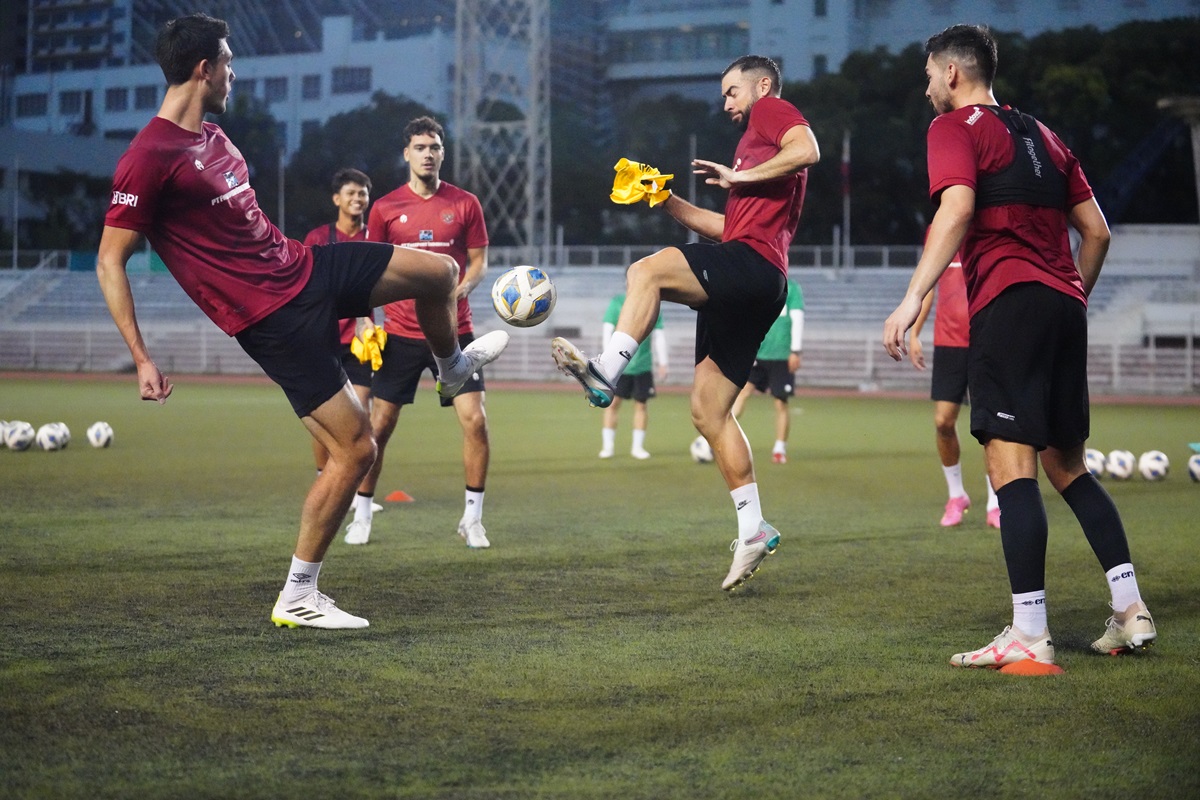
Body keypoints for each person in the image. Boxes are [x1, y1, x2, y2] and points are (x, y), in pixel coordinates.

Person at [96, 14, 508, 630]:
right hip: (271, 319)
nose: (234, 73)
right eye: (229, 61)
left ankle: (452, 371)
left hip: (305, 268)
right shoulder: (148, 157)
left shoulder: (219, 140)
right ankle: (298, 594)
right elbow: (110, 260)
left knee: (438, 274)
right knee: (358, 448)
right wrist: (143, 356)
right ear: (204, 69)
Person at [882, 24, 1155, 668]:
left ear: (951, 73)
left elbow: (955, 210)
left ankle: (1029, 630)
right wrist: (1070, 295)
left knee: (1010, 466)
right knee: (1069, 466)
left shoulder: (953, 128)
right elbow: (1097, 232)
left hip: (1009, 303)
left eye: (928, 75)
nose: (927, 88)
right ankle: (1129, 609)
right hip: (1065, 303)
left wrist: (913, 297)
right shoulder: (1047, 135)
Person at [551, 55, 820, 591]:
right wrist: (667, 199)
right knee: (708, 410)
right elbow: (729, 226)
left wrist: (736, 173)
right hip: (758, 276)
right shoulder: (757, 148)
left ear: (761, 85)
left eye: (731, 91)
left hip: (754, 268)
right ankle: (752, 528)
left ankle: (607, 370)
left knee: (646, 271)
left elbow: (808, 148)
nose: (725, 104)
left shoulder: (771, 111)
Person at [344, 116, 494, 549]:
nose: (428, 154)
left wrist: (464, 286)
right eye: (420, 147)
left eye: (434, 147)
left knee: (476, 421)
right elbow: (371, 266)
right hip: (402, 335)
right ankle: (364, 513)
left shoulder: (465, 203)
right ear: (406, 153)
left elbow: (479, 260)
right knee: (380, 426)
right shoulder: (386, 208)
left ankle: (473, 519)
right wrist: (364, 316)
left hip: (455, 332)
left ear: (443, 153)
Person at [300, 168, 382, 516]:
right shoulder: (318, 237)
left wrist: (368, 316)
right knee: (325, 424)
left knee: (361, 416)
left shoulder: (376, 236)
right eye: (351, 192)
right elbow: (304, 282)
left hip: (361, 343)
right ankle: (326, 480)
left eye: (363, 193)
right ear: (337, 198)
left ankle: (357, 496)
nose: (357, 199)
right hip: (323, 340)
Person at [907, 247, 1000, 528]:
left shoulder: (988, 221)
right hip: (948, 343)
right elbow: (928, 287)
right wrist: (914, 333)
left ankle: (996, 502)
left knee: (991, 427)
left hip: (986, 340)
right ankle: (956, 495)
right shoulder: (940, 229)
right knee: (943, 422)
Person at [730, 277, 804, 465]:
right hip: (759, 353)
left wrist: (795, 350)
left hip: (781, 356)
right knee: (742, 392)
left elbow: (797, 319)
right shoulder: (759, 285)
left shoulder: (792, 288)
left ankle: (779, 449)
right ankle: (720, 435)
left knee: (781, 402)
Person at [598, 291, 667, 460]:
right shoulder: (617, 303)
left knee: (641, 405)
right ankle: (608, 447)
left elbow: (658, 334)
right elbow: (608, 330)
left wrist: (663, 362)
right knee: (612, 404)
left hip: (642, 364)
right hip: (620, 365)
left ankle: (637, 447)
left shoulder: (653, 302)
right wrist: (608, 360)